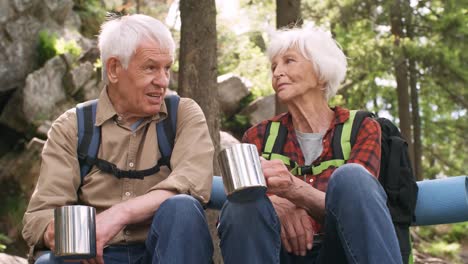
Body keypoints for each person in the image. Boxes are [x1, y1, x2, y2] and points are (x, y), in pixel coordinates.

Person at [22, 14, 214, 264]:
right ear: (113, 69)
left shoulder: (184, 115)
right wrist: (53, 232)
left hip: (165, 252)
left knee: (182, 208)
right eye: (150, 67)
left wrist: (119, 214)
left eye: (167, 68)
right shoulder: (72, 127)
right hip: (97, 257)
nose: (163, 81)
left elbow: (194, 183)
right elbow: (39, 215)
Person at [217, 26, 403, 264]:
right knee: (242, 205)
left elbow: (359, 206)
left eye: (289, 61)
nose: (277, 72)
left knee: (352, 178)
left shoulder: (362, 127)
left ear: (321, 72)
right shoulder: (259, 135)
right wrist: (275, 204)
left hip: (341, 252)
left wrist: (293, 190)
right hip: (278, 253)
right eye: (274, 66)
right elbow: (240, 214)